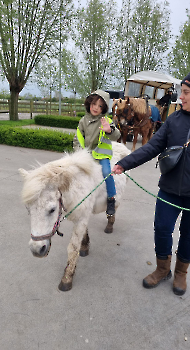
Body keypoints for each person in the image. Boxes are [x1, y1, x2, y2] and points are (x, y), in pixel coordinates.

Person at [112, 73, 190, 296]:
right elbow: (152, 146)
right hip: (169, 189)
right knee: (163, 229)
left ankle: (181, 274)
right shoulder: (173, 120)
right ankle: (162, 269)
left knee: (188, 234)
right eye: (181, 92)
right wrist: (125, 163)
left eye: (185, 93)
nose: (180, 98)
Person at [73, 89, 120, 216]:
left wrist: (109, 130)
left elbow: (116, 135)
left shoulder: (106, 121)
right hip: (87, 155)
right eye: (94, 104)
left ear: (103, 108)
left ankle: (111, 199)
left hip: (101, 155)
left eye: (100, 106)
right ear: (89, 104)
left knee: (106, 172)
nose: (96, 108)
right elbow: (77, 138)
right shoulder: (83, 121)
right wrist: (80, 154)